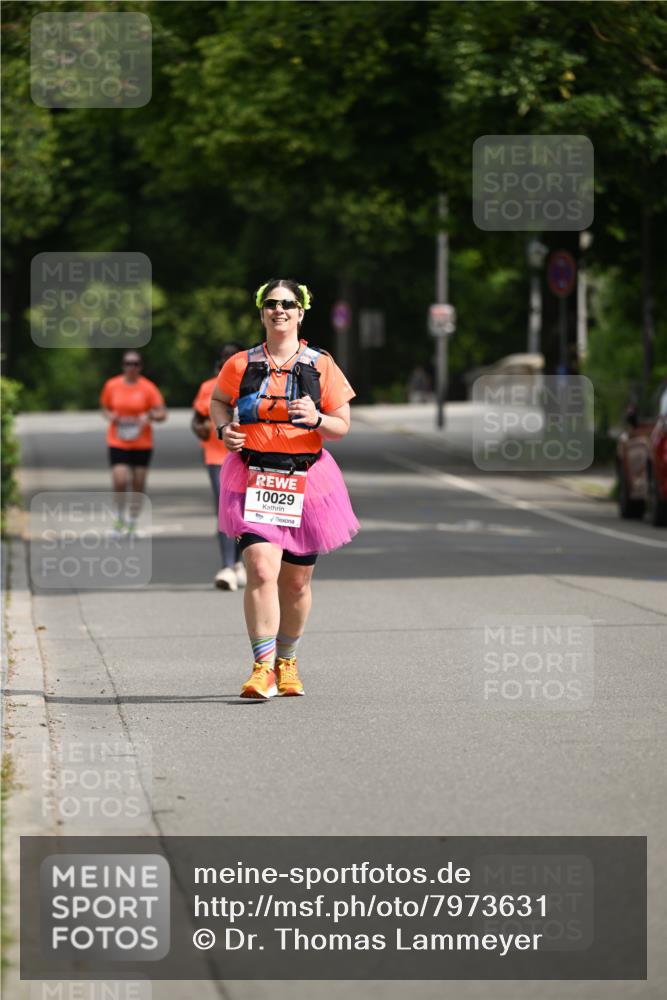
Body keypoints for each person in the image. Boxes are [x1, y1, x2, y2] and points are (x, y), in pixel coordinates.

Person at [210, 279, 358, 699]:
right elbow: (218, 401)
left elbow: (342, 426)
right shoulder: (240, 363)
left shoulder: (321, 364)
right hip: (253, 477)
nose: (279, 310)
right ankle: (262, 668)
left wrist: (316, 419)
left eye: (287, 304)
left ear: (301, 311)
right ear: (261, 312)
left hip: (307, 483)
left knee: (296, 583)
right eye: (271, 304)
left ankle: (287, 661)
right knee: (259, 568)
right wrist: (225, 430)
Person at [192, 344, 247, 590]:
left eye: (233, 357)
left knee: (246, 511)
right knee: (226, 508)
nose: (228, 361)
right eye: (224, 357)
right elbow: (197, 420)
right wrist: (203, 430)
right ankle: (227, 565)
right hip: (217, 457)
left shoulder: (255, 383)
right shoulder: (208, 387)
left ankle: (238, 563)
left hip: (250, 457)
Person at [100, 350, 167, 536]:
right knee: (120, 480)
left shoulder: (148, 388)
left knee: (138, 483)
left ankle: (132, 521)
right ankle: (119, 518)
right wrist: (110, 416)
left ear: (140, 366)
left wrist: (150, 416)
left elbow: (162, 413)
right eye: (128, 363)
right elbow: (105, 408)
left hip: (142, 443)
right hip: (118, 440)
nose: (132, 367)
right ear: (123, 366)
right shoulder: (112, 385)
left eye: (135, 363)